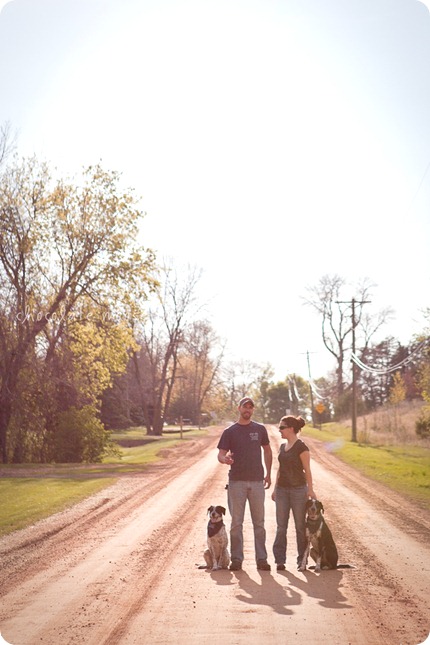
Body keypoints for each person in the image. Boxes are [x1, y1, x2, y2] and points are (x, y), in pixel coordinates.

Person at [217, 396, 272, 571]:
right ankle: (237, 559)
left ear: (252, 410)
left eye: (250, 407)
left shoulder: (260, 429)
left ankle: (262, 559)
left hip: (257, 482)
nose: (247, 410)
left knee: (259, 524)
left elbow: (268, 451)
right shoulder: (230, 432)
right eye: (245, 407)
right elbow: (220, 454)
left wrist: (269, 473)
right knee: (236, 523)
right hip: (236, 483)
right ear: (238, 408)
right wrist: (224, 459)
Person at [272, 415, 316, 571]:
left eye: (282, 427)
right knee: (281, 526)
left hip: (298, 490)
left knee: (299, 526)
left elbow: (307, 470)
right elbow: (280, 469)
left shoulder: (302, 447)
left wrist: (310, 490)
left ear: (291, 428)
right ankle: (279, 560)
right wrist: (275, 488)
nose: (280, 430)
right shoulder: (282, 447)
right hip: (282, 490)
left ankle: (301, 560)